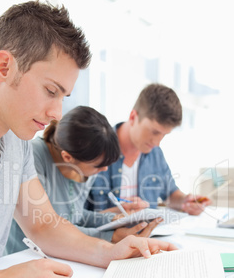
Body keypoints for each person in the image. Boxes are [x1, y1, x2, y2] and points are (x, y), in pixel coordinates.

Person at [0, 1, 176, 278]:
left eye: (63, 97)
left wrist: (110, 252)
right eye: (50, 91)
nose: (56, 114)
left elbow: (45, 226)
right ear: (4, 67)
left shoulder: (16, 145)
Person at [6, 106, 161, 255]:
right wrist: (111, 236)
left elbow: (76, 216)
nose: (104, 170)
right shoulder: (32, 157)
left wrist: (117, 218)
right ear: (68, 157)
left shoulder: (85, 167)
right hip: (21, 256)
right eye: (98, 166)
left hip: (58, 254)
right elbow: (51, 228)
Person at [86, 83, 212, 216]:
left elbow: (170, 194)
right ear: (133, 117)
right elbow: (78, 216)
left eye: (164, 135)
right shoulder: (96, 148)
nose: (157, 142)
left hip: (147, 234)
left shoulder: (155, 154)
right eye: (154, 132)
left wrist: (185, 202)